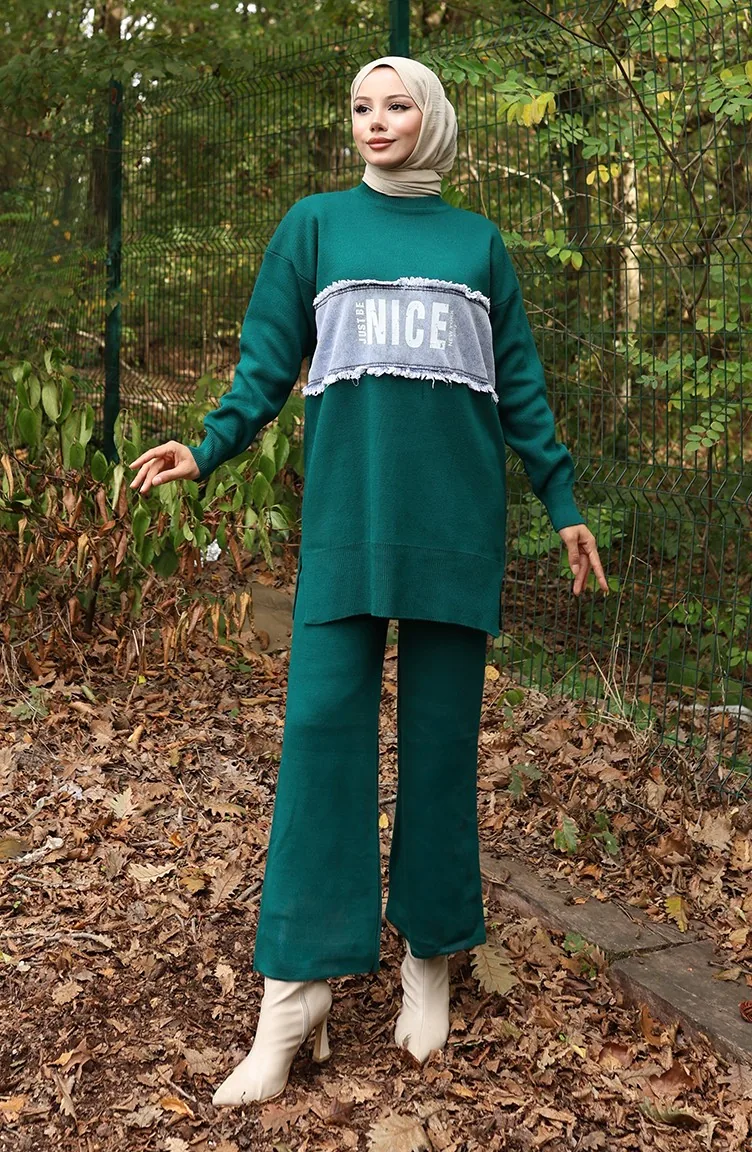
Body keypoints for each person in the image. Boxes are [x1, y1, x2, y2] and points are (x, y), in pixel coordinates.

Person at [129, 56, 608, 1107]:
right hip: (345, 530)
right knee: (318, 742)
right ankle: (292, 994)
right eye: (360, 106)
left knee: (439, 750)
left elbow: (520, 387)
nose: (374, 121)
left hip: (455, 534)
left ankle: (429, 957)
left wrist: (561, 501)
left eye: (396, 105)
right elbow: (266, 361)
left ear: (431, 119)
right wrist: (207, 446)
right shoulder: (315, 227)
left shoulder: (478, 244)